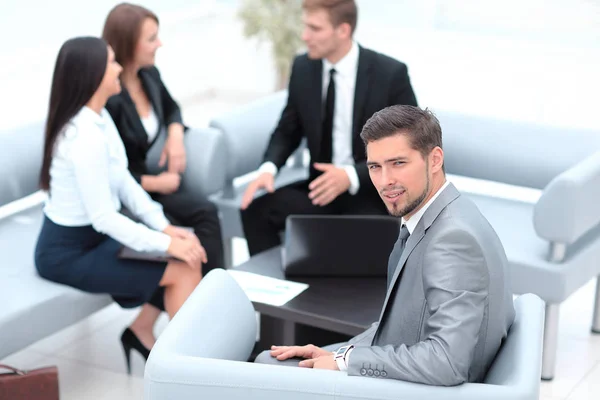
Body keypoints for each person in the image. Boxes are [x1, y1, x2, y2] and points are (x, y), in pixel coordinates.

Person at [255, 105, 516, 386]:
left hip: (415, 390)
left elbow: (447, 362)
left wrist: (347, 361)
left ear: (435, 160)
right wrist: (339, 354)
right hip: (407, 376)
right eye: (375, 167)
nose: (385, 181)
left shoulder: (451, 240)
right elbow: (398, 328)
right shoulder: (446, 215)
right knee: (273, 363)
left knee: (266, 371)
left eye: (398, 163)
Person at [35, 36, 206, 374]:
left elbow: (124, 180)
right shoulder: (83, 138)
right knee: (183, 265)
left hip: (95, 240)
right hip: (67, 252)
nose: (118, 68)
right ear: (93, 74)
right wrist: (167, 242)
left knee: (187, 256)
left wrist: (165, 227)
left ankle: (190, 371)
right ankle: (188, 375)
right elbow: (104, 218)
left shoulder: (98, 119)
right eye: (112, 62)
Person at [240, 0, 419, 256]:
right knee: (256, 211)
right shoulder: (303, 68)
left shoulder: (389, 74)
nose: (305, 36)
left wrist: (350, 175)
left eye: (314, 29)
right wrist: (268, 168)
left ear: (343, 30)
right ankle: (279, 289)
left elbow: (408, 143)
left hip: (371, 191)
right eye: (305, 27)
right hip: (320, 190)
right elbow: (288, 129)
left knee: (369, 245)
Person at [102, 3, 224, 276]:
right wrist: (156, 182)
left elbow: (172, 109)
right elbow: (111, 170)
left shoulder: (149, 75)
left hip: (153, 186)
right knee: (182, 238)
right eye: (151, 38)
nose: (160, 43)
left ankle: (217, 292)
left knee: (206, 213)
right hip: (128, 193)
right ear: (128, 44)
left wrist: (176, 135)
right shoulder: (110, 98)